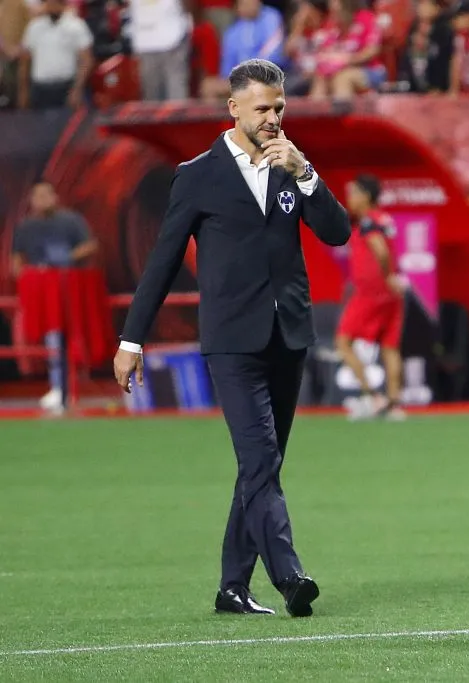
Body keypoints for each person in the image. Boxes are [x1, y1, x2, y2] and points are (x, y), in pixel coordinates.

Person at [112, 59, 351, 618]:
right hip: (232, 342)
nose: (273, 118)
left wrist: (306, 172)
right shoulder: (198, 175)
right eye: (263, 108)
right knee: (261, 458)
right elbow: (164, 261)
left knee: (260, 466)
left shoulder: (291, 165)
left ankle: (232, 588)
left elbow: (338, 233)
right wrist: (132, 339)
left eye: (280, 107)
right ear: (234, 108)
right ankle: (289, 576)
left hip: (288, 334)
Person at [11, 180, 98, 411]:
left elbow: (90, 246)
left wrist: (68, 257)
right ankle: (58, 387)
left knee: (71, 337)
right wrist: (26, 278)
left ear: (55, 196)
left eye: (46, 195)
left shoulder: (71, 220)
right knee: (48, 338)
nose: (42, 200)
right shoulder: (25, 227)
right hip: (40, 294)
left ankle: (71, 388)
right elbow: (16, 260)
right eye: (37, 196)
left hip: (69, 291)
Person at [334, 174, 407, 421]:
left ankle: (372, 396)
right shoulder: (383, 219)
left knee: (343, 342)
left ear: (366, 195)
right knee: (390, 346)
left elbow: (380, 249)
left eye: (353, 193)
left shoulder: (368, 223)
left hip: (372, 293)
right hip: (389, 294)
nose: (349, 199)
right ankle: (394, 404)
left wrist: (386, 276)